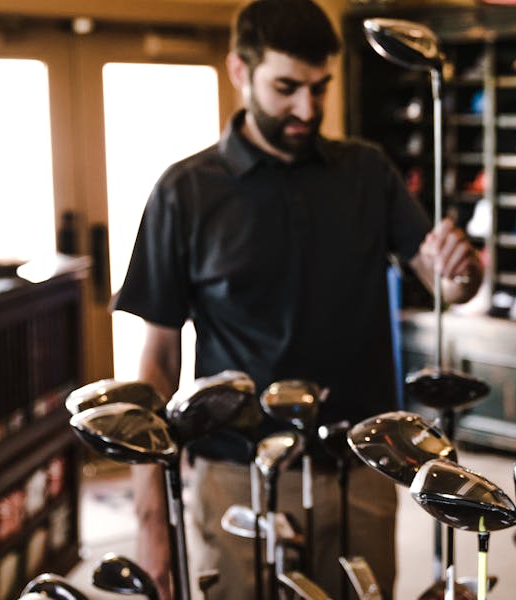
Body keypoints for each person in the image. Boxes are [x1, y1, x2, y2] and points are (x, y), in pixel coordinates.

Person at [112, 0, 482, 597]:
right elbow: (156, 364)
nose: (308, 109)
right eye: (286, 88)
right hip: (238, 467)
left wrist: (462, 270)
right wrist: (152, 525)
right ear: (240, 71)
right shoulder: (185, 192)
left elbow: (450, 284)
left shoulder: (366, 170)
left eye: (320, 88)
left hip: (362, 461)